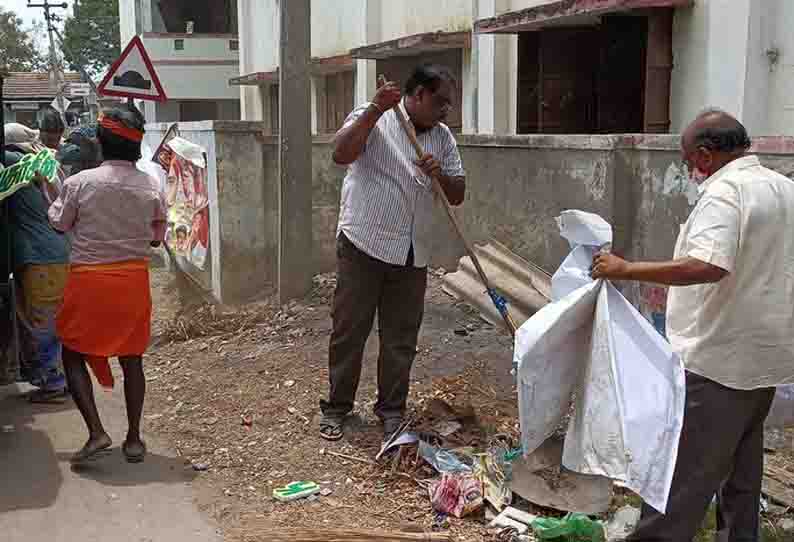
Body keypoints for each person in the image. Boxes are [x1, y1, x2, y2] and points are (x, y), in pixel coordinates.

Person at [591, 110, 794, 542]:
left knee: (684, 476)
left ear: (705, 155)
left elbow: (707, 264)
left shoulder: (726, 193)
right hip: (765, 359)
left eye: (687, 161)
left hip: (718, 360)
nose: (688, 170)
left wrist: (626, 269)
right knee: (741, 471)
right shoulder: (782, 188)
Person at [319, 64, 466, 442]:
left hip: (411, 252)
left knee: (400, 338)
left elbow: (457, 193)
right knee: (350, 330)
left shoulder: (443, 138)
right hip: (363, 244)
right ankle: (337, 408)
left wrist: (441, 175)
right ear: (416, 96)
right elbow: (340, 153)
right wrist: (373, 110)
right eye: (439, 102)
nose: (444, 111)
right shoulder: (377, 118)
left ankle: (391, 411)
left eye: (448, 105)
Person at [48, 105, 167, 464]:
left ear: (101, 143)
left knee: (72, 352)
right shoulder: (150, 185)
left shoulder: (78, 183)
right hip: (132, 282)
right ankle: (133, 439)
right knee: (132, 358)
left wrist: (47, 192)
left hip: (88, 281)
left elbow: (59, 224)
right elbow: (156, 239)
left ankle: (97, 432)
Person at [4, 117, 70, 403]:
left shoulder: (13, 161)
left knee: (43, 322)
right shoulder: (40, 164)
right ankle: (58, 377)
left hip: (40, 257)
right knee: (49, 320)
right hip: (53, 254)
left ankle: (54, 383)